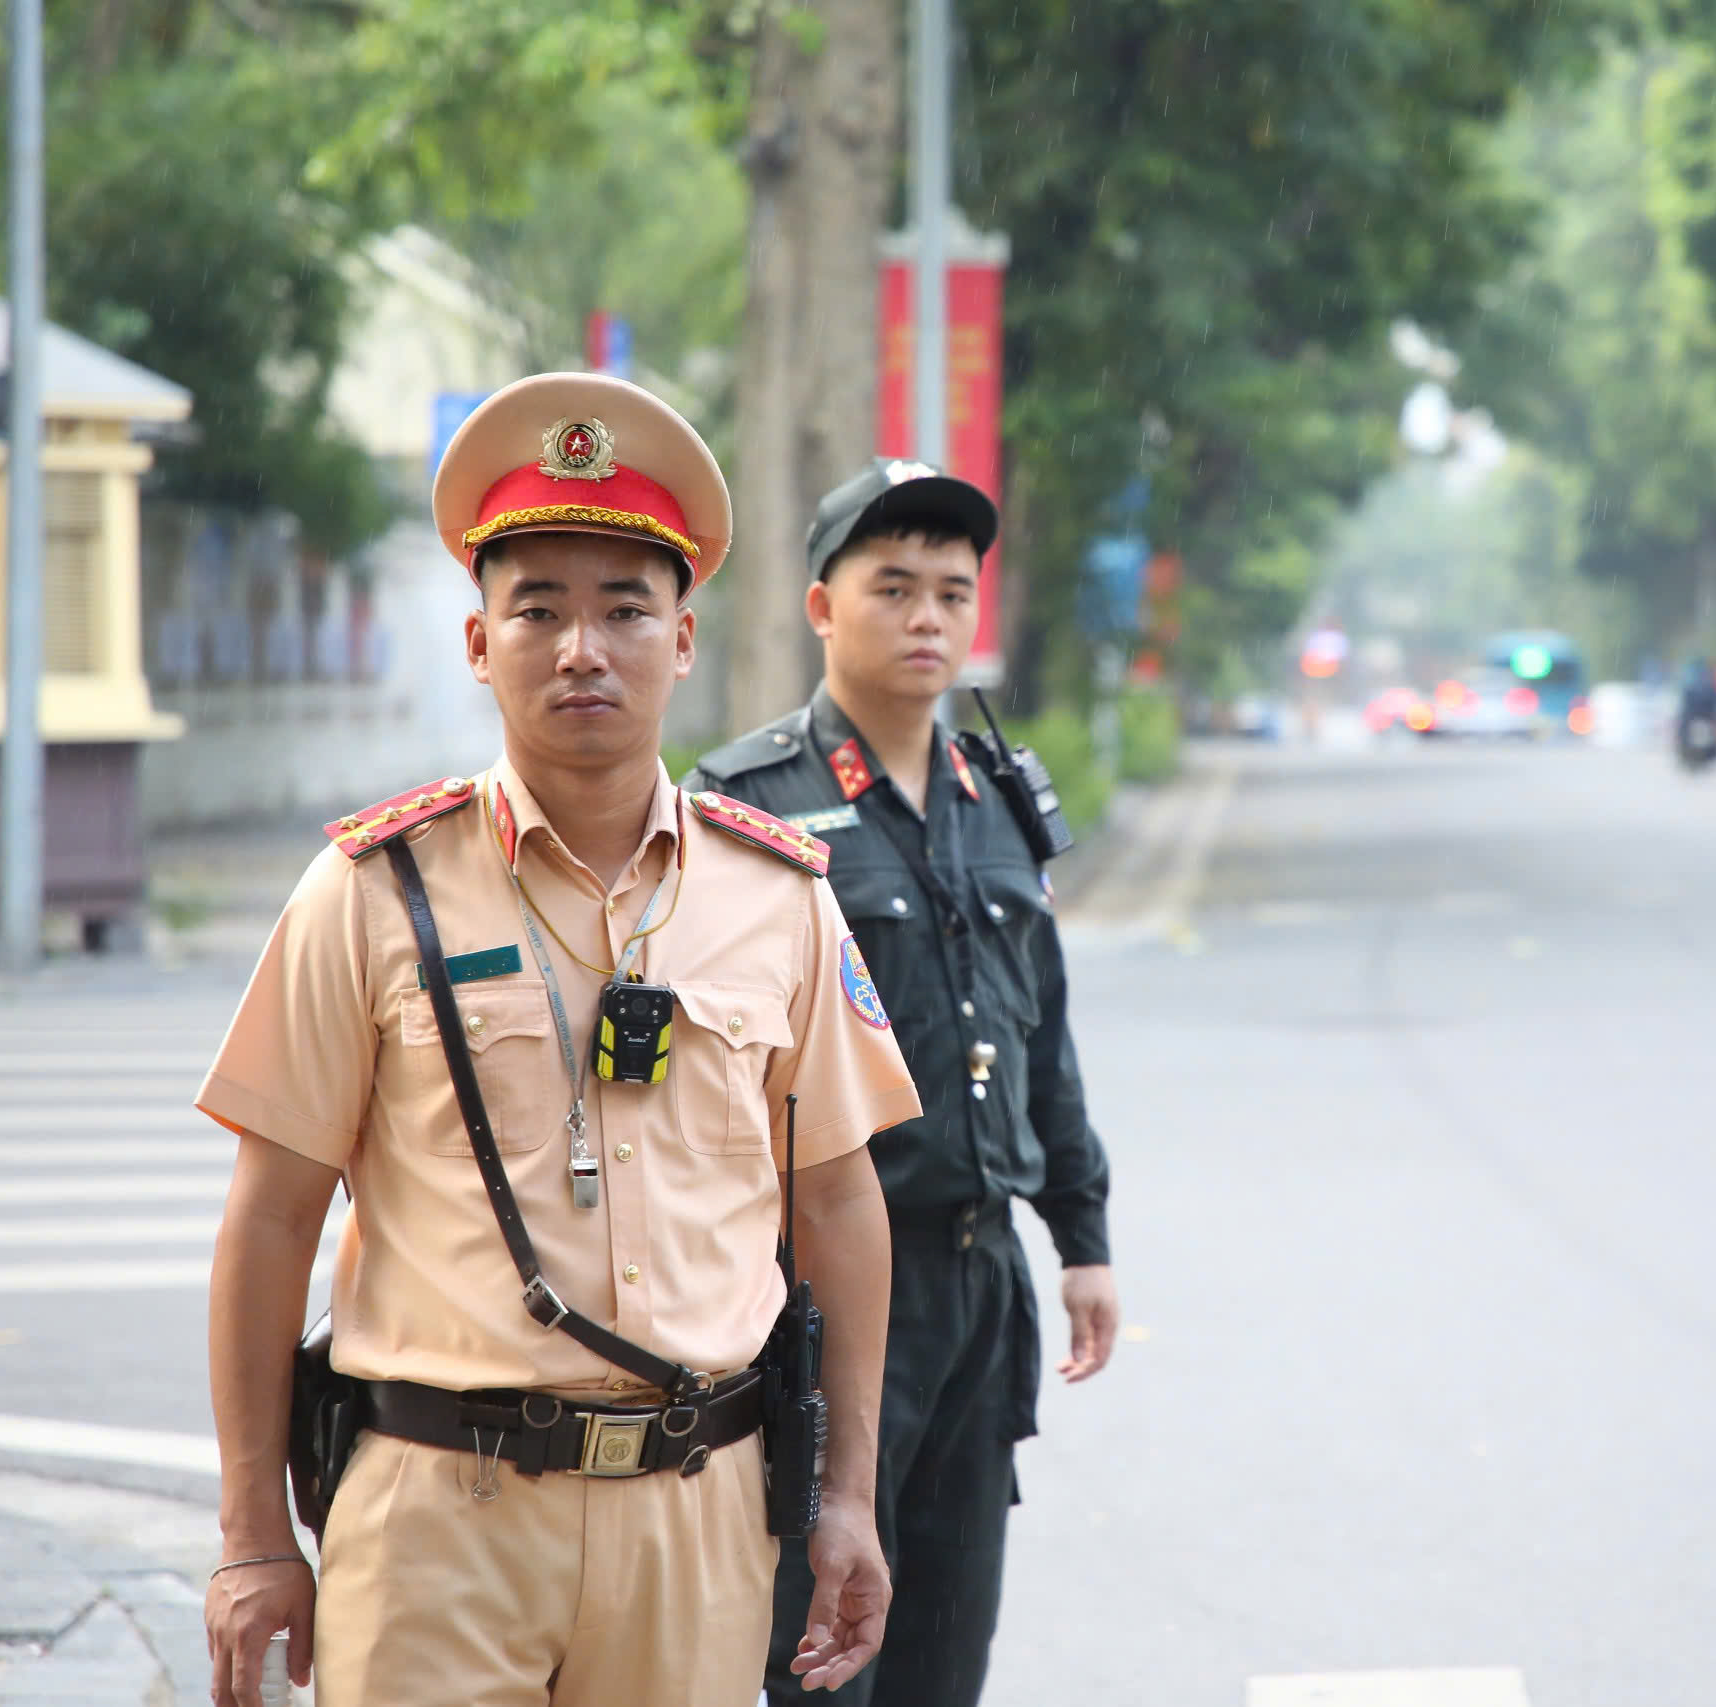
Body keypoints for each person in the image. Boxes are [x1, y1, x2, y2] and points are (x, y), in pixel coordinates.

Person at [196, 374, 920, 1707]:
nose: (581, 645)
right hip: (434, 1515)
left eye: (623, 608)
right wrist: (254, 1535)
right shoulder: (369, 892)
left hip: (694, 1518)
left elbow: (839, 1202)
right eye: (538, 608)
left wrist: (848, 1492)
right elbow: (269, 1217)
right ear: (480, 643)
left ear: (683, 640)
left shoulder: (781, 899)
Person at [686, 459, 1118, 1707]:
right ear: (823, 607)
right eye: (893, 588)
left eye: (951, 589)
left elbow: (1043, 1032)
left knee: (944, 1649)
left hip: (983, 1282)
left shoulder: (998, 800)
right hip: (821, 1290)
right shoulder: (747, 805)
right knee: (816, 1654)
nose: (928, 617)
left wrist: (1080, 1236)